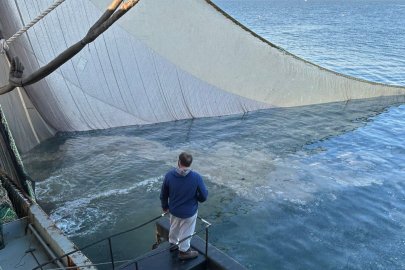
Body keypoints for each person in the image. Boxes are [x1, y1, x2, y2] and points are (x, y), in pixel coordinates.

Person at [160, 152, 208, 260]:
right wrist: (197, 198)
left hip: (174, 210)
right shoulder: (196, 177)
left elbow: (163, 194)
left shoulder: (169, 176)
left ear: (179, 162)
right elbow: (204, 196)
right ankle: (184, 251)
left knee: (174, 227)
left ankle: (172, 244)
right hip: (189, 211)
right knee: (187, 231)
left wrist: (165, 207)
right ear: (190, 164)